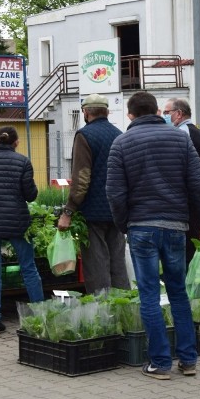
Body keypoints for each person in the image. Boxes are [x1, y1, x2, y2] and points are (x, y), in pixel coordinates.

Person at [107, 91, 200, 380]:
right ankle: (189, 359)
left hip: (141, 227)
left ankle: (160, 363)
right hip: (176, 227)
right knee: (178, 292)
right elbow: (199, 183)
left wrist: (123, 224)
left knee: (149, 296)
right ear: (157, 111)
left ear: (130, 114)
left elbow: (115, 193)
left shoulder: (121, 143)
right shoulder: (181, 139)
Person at [0, 126, 44, 337]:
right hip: (16, 222)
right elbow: (30, 195)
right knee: (28, 268)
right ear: (16, 142)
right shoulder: (22, 162)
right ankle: (40, 314)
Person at [56, 94, 130, 293]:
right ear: (107, 112)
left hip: (93, 212)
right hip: (117, 209)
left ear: (86, 112)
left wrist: (69, 211)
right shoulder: (119, 134)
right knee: (118, 263)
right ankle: (123, 310)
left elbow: (82, 179)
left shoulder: (85, 136)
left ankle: (102, 312)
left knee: (97, 264)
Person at [163, 97, 200, 265]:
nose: (164, 116)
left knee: (189, 243)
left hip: (191, 196)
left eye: (167, 112)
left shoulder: (181, 134)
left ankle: (190, 283)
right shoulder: (199, 133)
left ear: (179, 114)